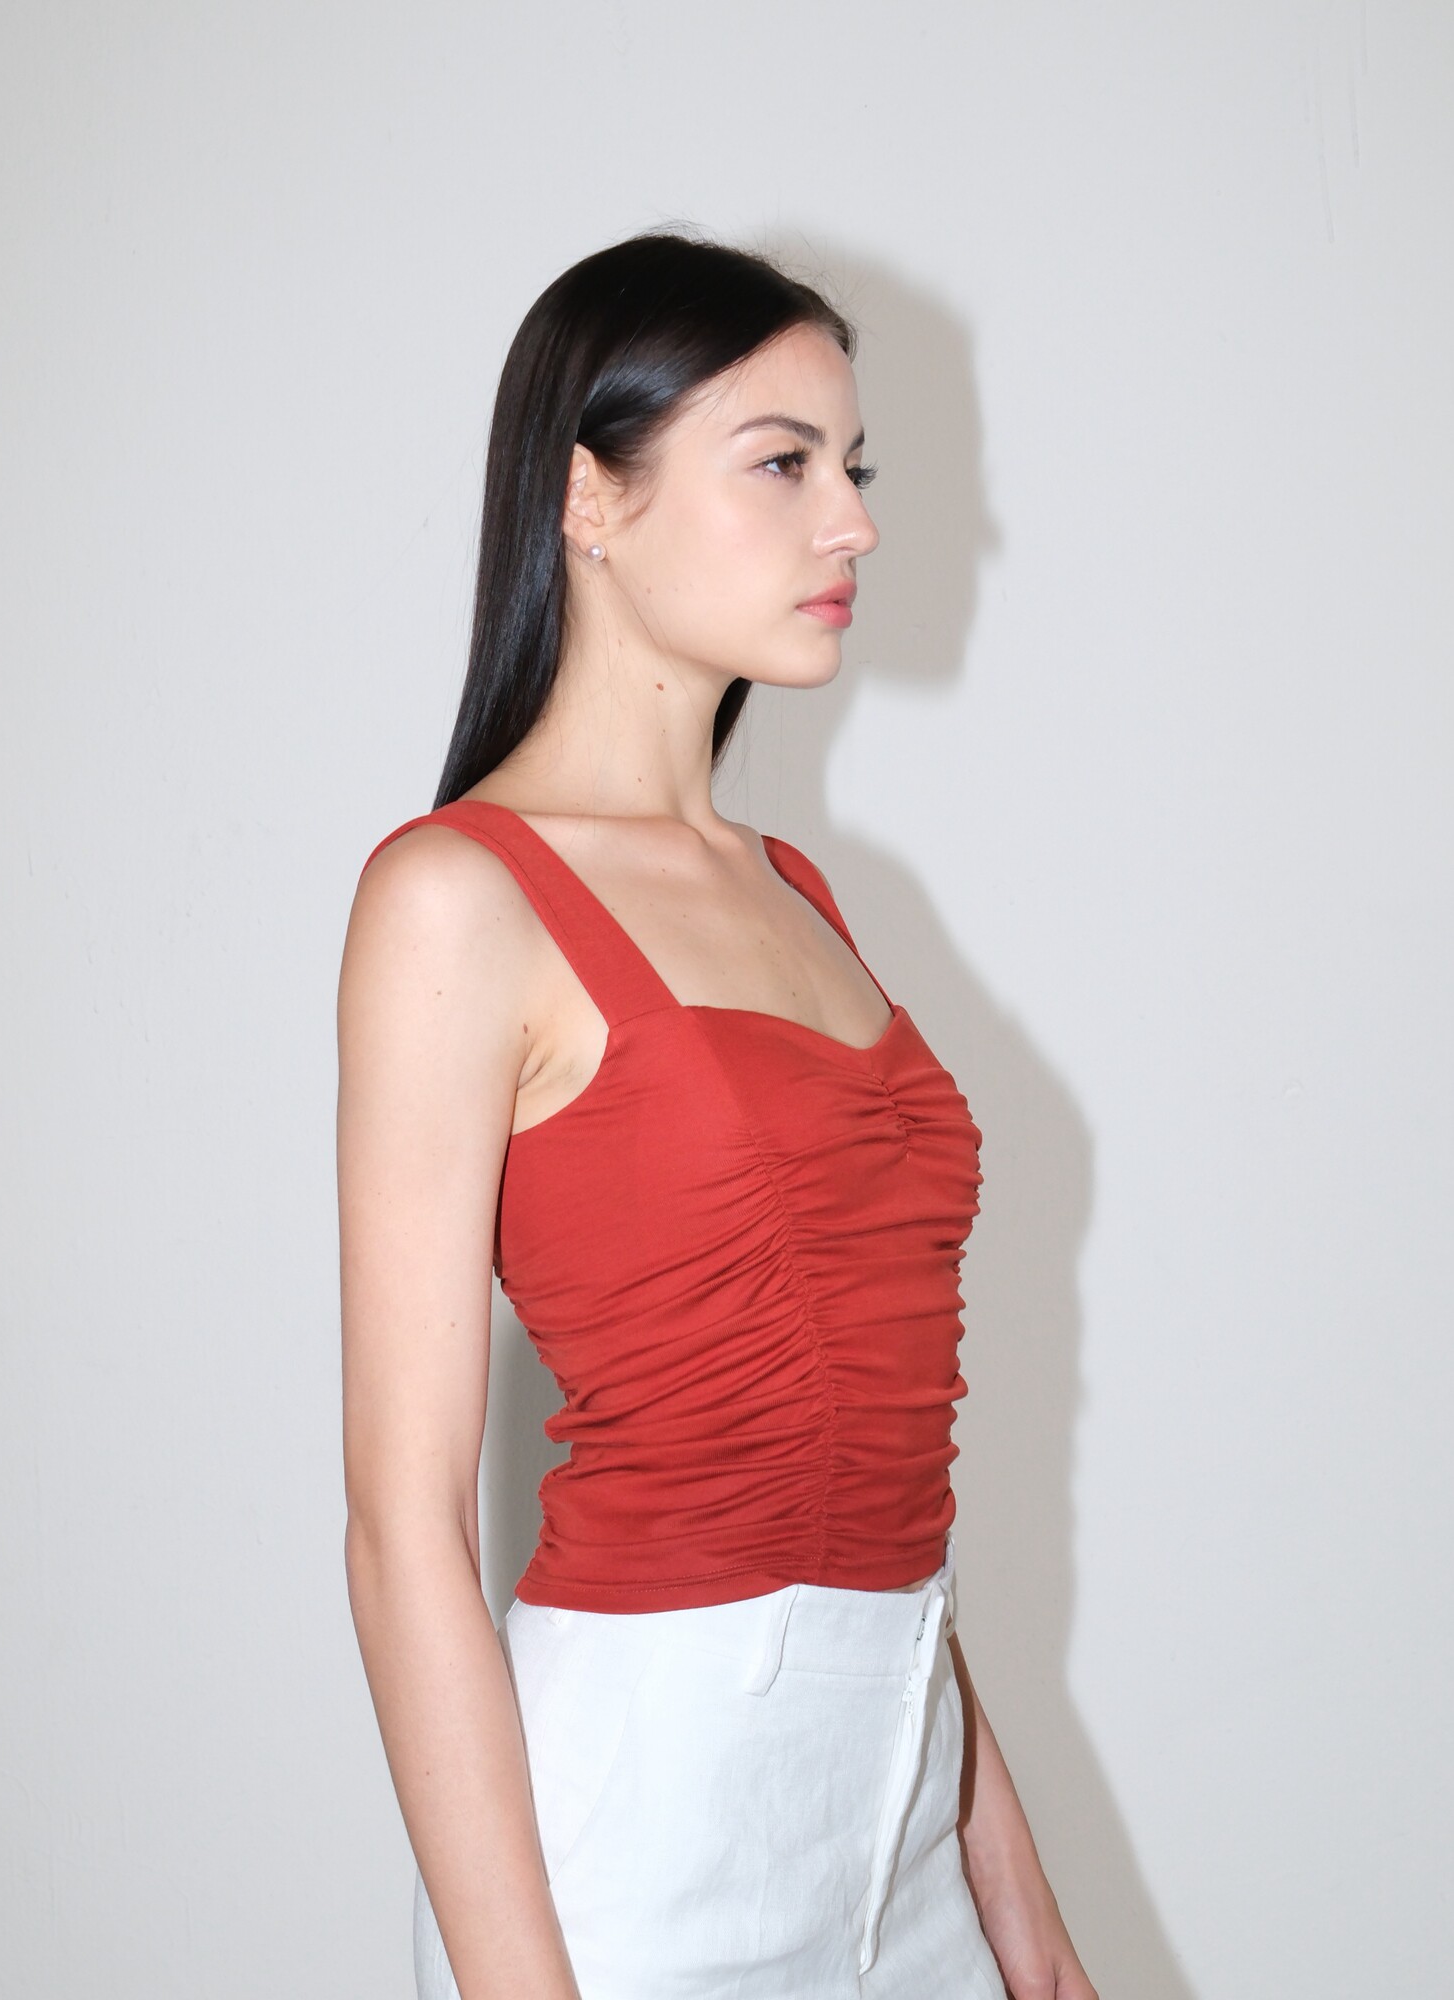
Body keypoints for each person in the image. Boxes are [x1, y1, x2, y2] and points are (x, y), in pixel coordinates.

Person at [337, 228, 1097, 2000]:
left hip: (902, 1807)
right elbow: (402, 1532)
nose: (855, 525)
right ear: (589, 499)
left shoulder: (797, 893)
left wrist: (1025, 1915)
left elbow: (877, 1474)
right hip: (646, 1828)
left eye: (855, 470)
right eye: (783, 464)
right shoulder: (455, 900)